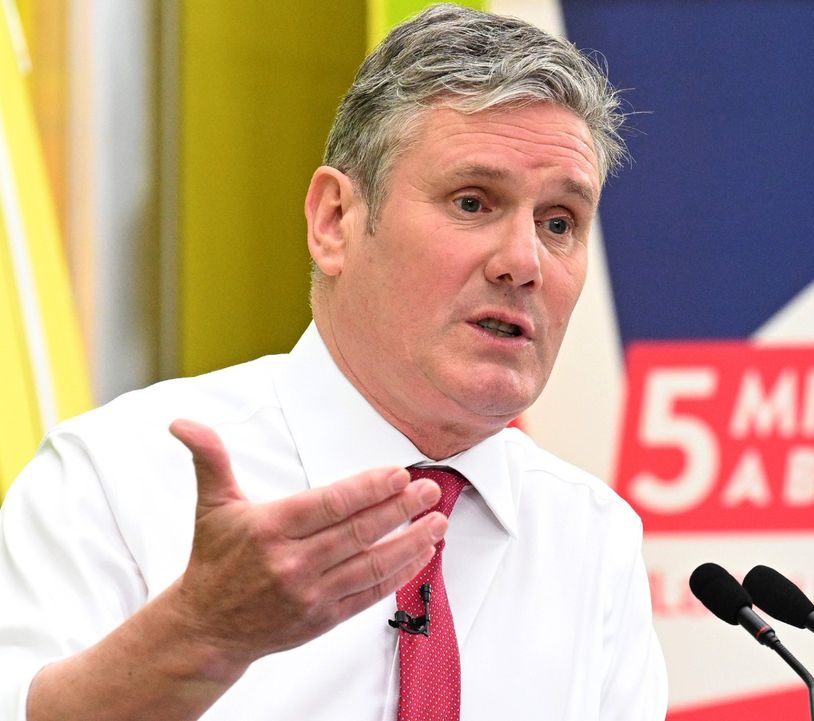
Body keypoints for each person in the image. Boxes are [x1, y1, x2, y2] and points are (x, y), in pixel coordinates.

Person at [0, 5, 667, 720]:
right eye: (473, 202)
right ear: (335, 221)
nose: (523, 263)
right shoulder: (116, 476)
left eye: (559, 221)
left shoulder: (591, 535)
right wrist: (201, 634)